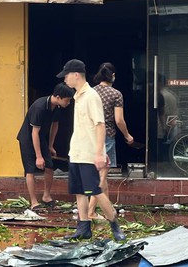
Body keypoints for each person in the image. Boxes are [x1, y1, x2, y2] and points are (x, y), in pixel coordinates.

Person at [57, 59, 126, 241]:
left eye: (66, 75)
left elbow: (100, 125)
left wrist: (99, 153)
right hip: (76, 152)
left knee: (95, 191)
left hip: (89, 154)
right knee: (79, 191)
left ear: (76, 75)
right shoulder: (78, 96)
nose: (65, 79)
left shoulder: (91, 96)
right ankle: (83, 227)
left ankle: (115, 225)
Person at [16, 82, 75, 211]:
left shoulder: (57, 107)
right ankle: (33, 202)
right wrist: (38, 156)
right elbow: (34, 133)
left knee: (49, 167)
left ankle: (46, 196)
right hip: (28, 139)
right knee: (30, 170)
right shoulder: (39, 107)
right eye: (67, 100)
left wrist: (50, 145)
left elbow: (55, 125)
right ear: (58, 97)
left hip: (41, 138)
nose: (69, 103)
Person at [87, 62, 134, 219]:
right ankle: (91, 211)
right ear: (112, 76)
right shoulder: (115, 94)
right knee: (101, 177)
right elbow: (119, 120)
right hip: (106, 136)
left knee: (101, 176)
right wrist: (127, 136)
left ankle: (108, 210)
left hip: (90, 135)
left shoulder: (91, 92)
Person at [154, 73, 178, 164]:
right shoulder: (170, 94)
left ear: (159, 82)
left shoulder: (163, 95)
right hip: (168, 126)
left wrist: (165, 128)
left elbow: (165, 114)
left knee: (160, 155)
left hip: (163, 127)